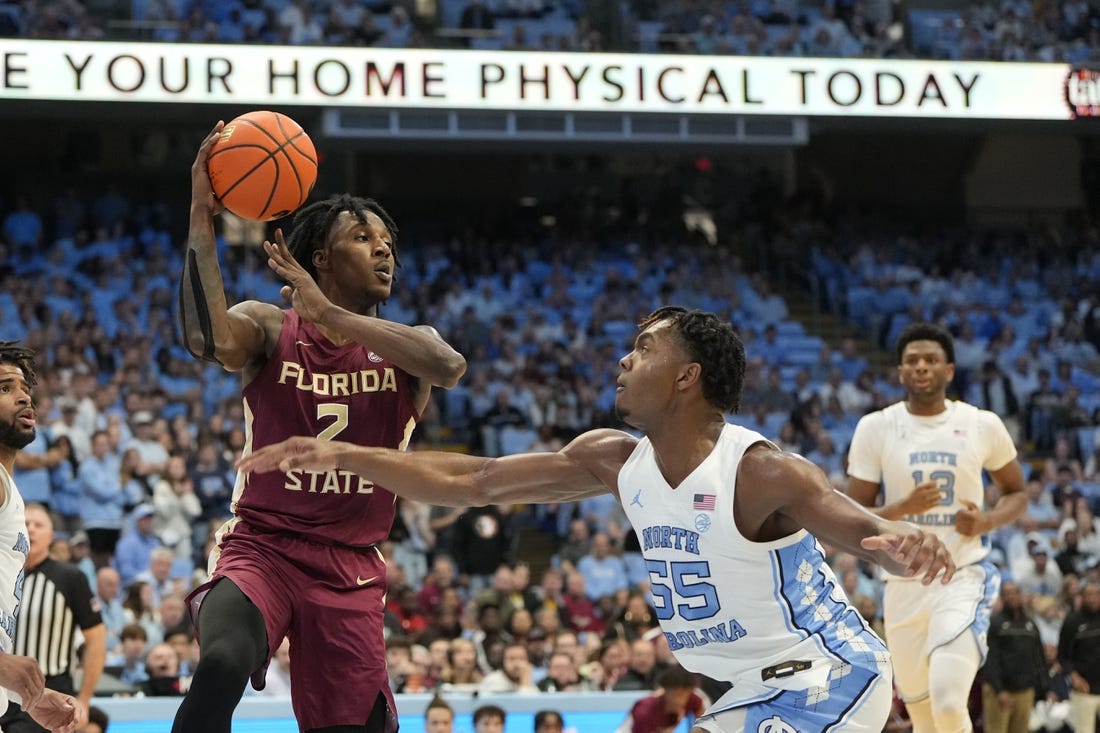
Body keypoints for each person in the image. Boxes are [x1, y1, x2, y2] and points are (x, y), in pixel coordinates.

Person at [238, 307, 956, 732]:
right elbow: (476, 480)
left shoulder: (761, 469)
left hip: (829, 674)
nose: (623, 356)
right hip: (751, 689)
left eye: (645, 347)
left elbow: (859, 529)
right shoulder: (615, 460)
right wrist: (350, 455)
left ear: (687, 376)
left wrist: (903, 548)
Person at [172, 124, 466, 733]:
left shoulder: (414, 349)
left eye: (387, 241)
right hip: (263, 545)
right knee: (223, 661)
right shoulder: (270, 326)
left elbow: (449, 366)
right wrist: (203, 214)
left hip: (351, 565)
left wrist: (333, 315)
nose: (384, 250)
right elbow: (206, 338)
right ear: (322, 259)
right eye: (363, 238)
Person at [845, 322, 1027, 733]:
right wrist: (902, 508)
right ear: (900, 372)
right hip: (903, 586)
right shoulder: (876, 427)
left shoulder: (982, 424)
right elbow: (853, 513)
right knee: (925, 720)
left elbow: (1018, 493)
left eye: (931, 360)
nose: (921, 367)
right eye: (912, 361)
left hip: (960, 575)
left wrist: (987, 519)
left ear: (949, 370)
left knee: (948, 702)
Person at [0, 341, 84, 731]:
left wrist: (27, 694)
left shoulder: (10, 489)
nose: (22, 397)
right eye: (4, 388)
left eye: (24, 389)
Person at [1, 503, 105, 733]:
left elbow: (96, 639)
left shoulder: (70, 577)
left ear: (51, 536)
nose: (31, 529)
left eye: (38, 525)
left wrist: (85, 699)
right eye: (26, 523)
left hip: (49, 691)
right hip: (3, 687)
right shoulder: (4, 575)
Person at [982, 581, 1047, 733]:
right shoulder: (995, 623)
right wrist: (999, 690)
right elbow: (990, 659)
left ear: (1021, 595)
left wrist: (1044, 686)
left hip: (1025, 691)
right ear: (1002, 598)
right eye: (1007, 593)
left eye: (1015, 592)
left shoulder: (1031, 624)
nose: (1012, 596)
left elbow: (1039, 656)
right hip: (999, 692)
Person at [1058, 580, 1100, 733]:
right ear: (1081, 597)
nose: (1093, 599)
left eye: (1096, 594)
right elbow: (1062, 655)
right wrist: (1074, 676)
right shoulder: (1072, 621)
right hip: (1084, 688)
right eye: (1089, 595)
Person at [616, 666, 706, 733]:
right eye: (676, 695)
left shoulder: (692, 699)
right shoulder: (645, 711)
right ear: (665, 691)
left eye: (684, 695)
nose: (680, 700)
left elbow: (705, 723)